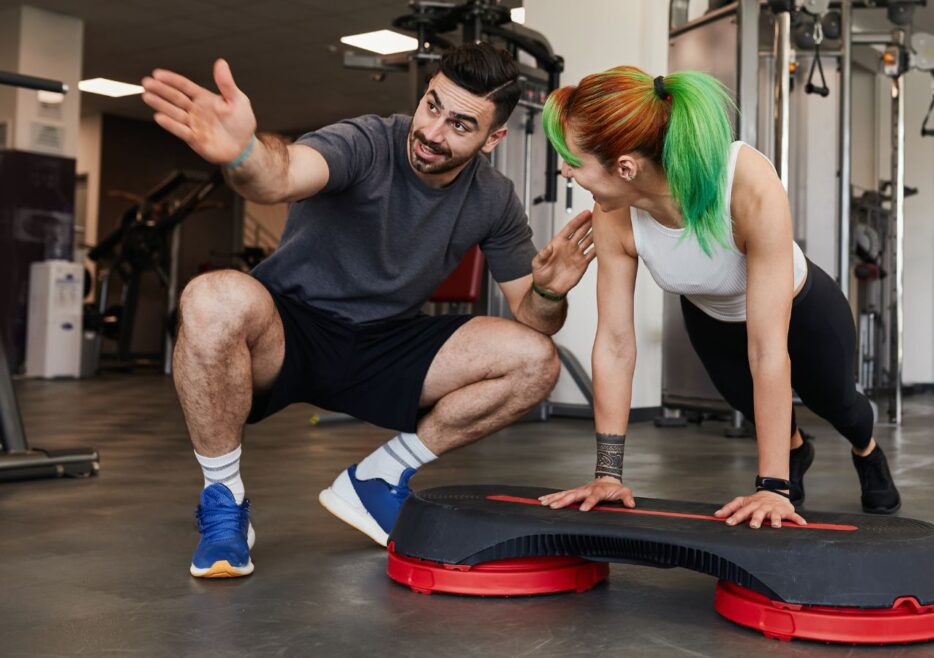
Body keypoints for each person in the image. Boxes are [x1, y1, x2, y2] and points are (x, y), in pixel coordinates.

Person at [140, 43, 596, 578]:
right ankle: (223, 501)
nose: (433, 131)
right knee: (211, 297)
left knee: (535, 359)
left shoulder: (493, 198)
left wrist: (549, 293)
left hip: (385, 342)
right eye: (432, 106)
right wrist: (244, 154)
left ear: (493, 139)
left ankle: (378, 478)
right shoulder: (366, 142)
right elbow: (281, 175)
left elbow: (534, 319)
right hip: (290, 330)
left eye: (459, 125)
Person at [535, 66, 900, 529]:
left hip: (803, 309)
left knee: (841, 407)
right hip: (712, 320)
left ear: (625, 167)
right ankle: (794, 451)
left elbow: (768, 349)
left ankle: (867, 452)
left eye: (572, 160)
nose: (565, 171)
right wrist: (608, 475)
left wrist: (772, 490)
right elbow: (614, 343)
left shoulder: (744, 180)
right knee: (751, 406)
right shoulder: (613, 213)